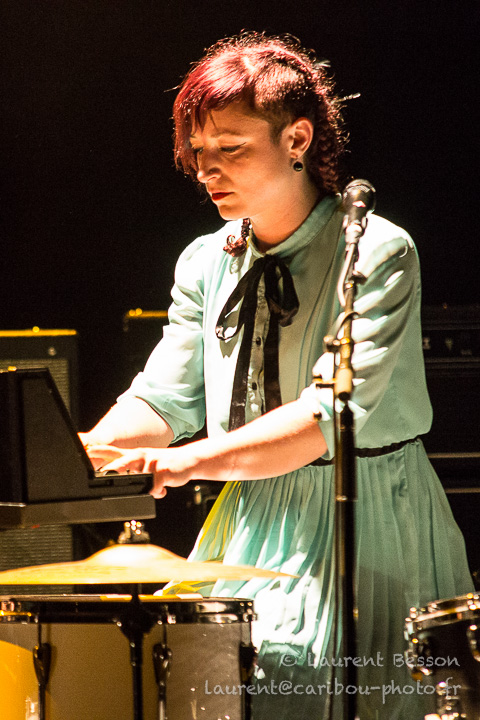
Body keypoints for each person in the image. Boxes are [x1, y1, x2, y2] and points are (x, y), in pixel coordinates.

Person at [80, 32, 473, 719]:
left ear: (297, 138)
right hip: (249, 511)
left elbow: (326, 418)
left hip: (366, 511)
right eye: (199, 150)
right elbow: (164, 397)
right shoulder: (205, 260)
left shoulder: (376, 251)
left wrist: (184, 462)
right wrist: (78, 453)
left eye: (231, 147)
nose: (207, 168)